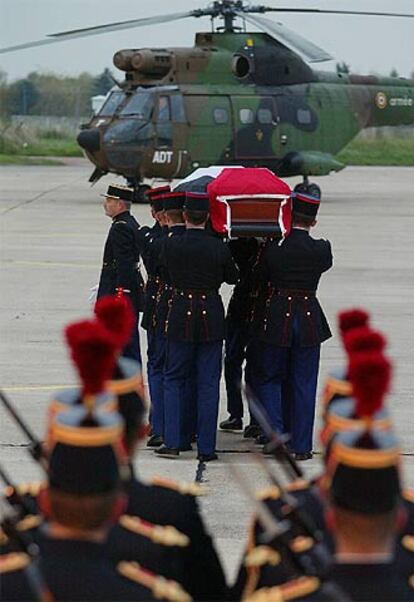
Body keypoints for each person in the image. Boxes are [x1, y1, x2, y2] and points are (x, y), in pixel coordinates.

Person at [156, 191, 239, 461]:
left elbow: (163, 272)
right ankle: (206, 447)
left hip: (180, 311)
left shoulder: (171, 244)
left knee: (173, 378)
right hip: (210, 314)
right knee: (208, 382)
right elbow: (232, 278)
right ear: (207, 217)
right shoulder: (218, 246)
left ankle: (173, 440)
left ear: (185, 214)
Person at [256, 191, 333, 460]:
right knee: (304, 382)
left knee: (271, 377)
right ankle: (301, 445)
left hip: (278, 315)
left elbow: (262, 274)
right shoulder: (321, 248)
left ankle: (276, 434)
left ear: (288, 216)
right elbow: (324, 264)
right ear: (313, 221)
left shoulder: (275, 249)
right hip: (309, 317)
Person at [97, 183, 145, 363]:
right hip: (124, 289)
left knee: (124, 343)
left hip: (120, 292)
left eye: (109, 200)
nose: (105, 204)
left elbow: (124, 263)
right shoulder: (129, 223)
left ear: (120, 204)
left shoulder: (121, 227)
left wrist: (120, 293)